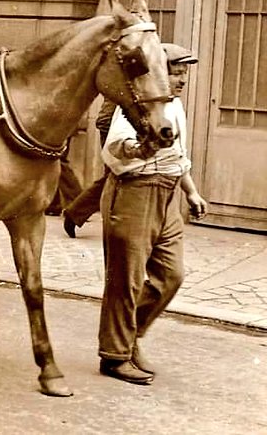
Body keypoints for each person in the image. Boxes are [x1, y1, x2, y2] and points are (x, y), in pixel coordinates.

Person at [96, 42, 208, 385]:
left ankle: (131, 336)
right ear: (158, 74)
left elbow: (179, 153)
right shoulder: (137, 107)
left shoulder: (174, 108)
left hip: (168, 195)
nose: (182, 80)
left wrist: (191, 191)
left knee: (171, 276)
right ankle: (115, 357)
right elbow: (116, 147)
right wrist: (139, 147)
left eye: (185, 74)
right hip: (135, 193)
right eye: (176, 73)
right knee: (125, 280)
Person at [61, 97, 116, 237]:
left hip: (118, 122)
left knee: (115, 176)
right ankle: (75, 212)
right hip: (116, 124)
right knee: (115, 176)